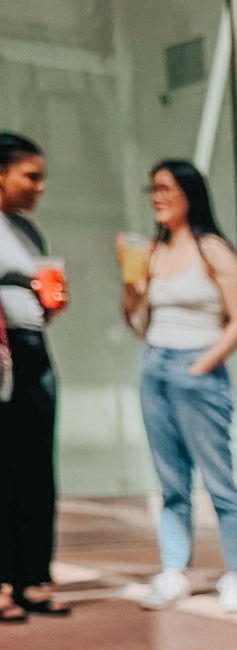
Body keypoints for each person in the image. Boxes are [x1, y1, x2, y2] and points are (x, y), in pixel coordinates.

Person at [120, 159, 237, 612]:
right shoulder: (151, 253)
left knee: (219, 480)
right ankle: (173, 571)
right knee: (171, 481)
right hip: (155, 365)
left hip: (198, 367)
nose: (156, 197)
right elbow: (136, 320)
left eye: (165, 188)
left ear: (188, 194)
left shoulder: (212, 249)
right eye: (152, 189)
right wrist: (130, 283)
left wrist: (202, 365)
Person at [0, 132, 70, 623]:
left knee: (36, 469)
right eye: (31, 176)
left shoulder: (27, 232)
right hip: (0, 351)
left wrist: (50, 305)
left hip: (33, 349)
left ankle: (33, 576)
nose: (40, 187)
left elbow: (39, 308)